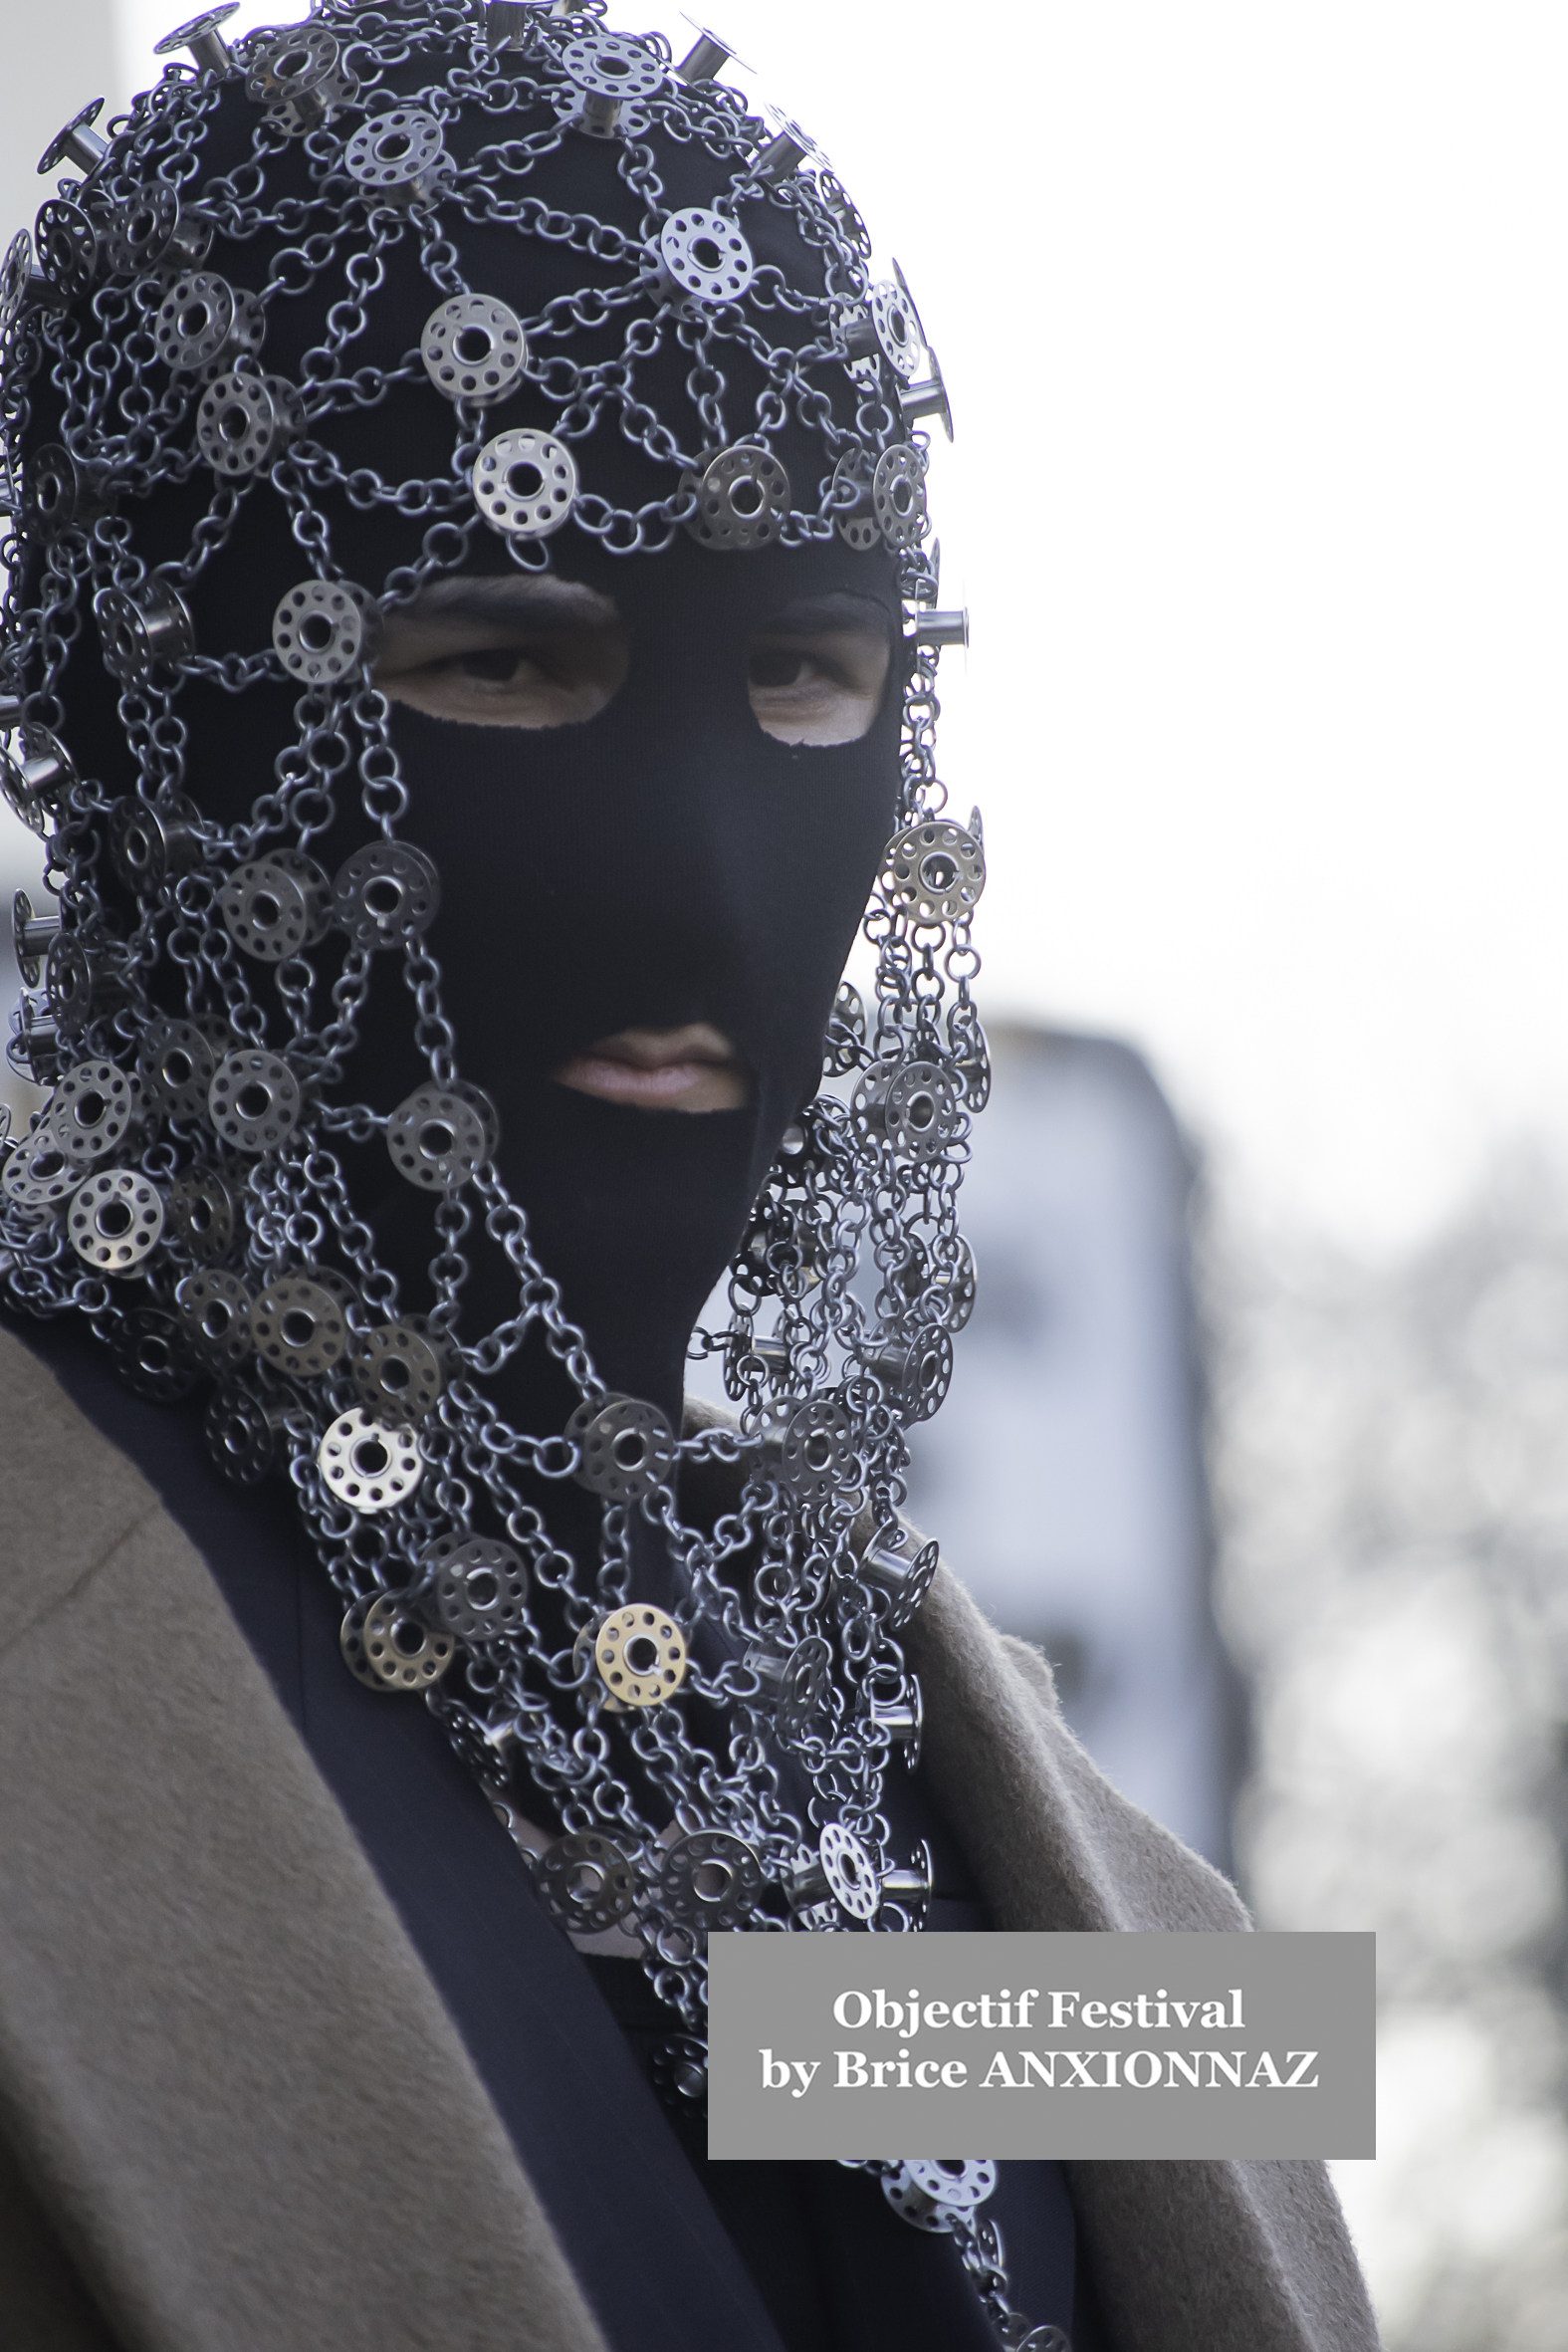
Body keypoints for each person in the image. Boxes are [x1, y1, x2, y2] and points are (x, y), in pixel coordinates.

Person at [0, 7, 1378, 2349]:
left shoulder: (1115, 1906)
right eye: (508, 661)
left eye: (811, 674)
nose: (702, 890)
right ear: (167, 706)